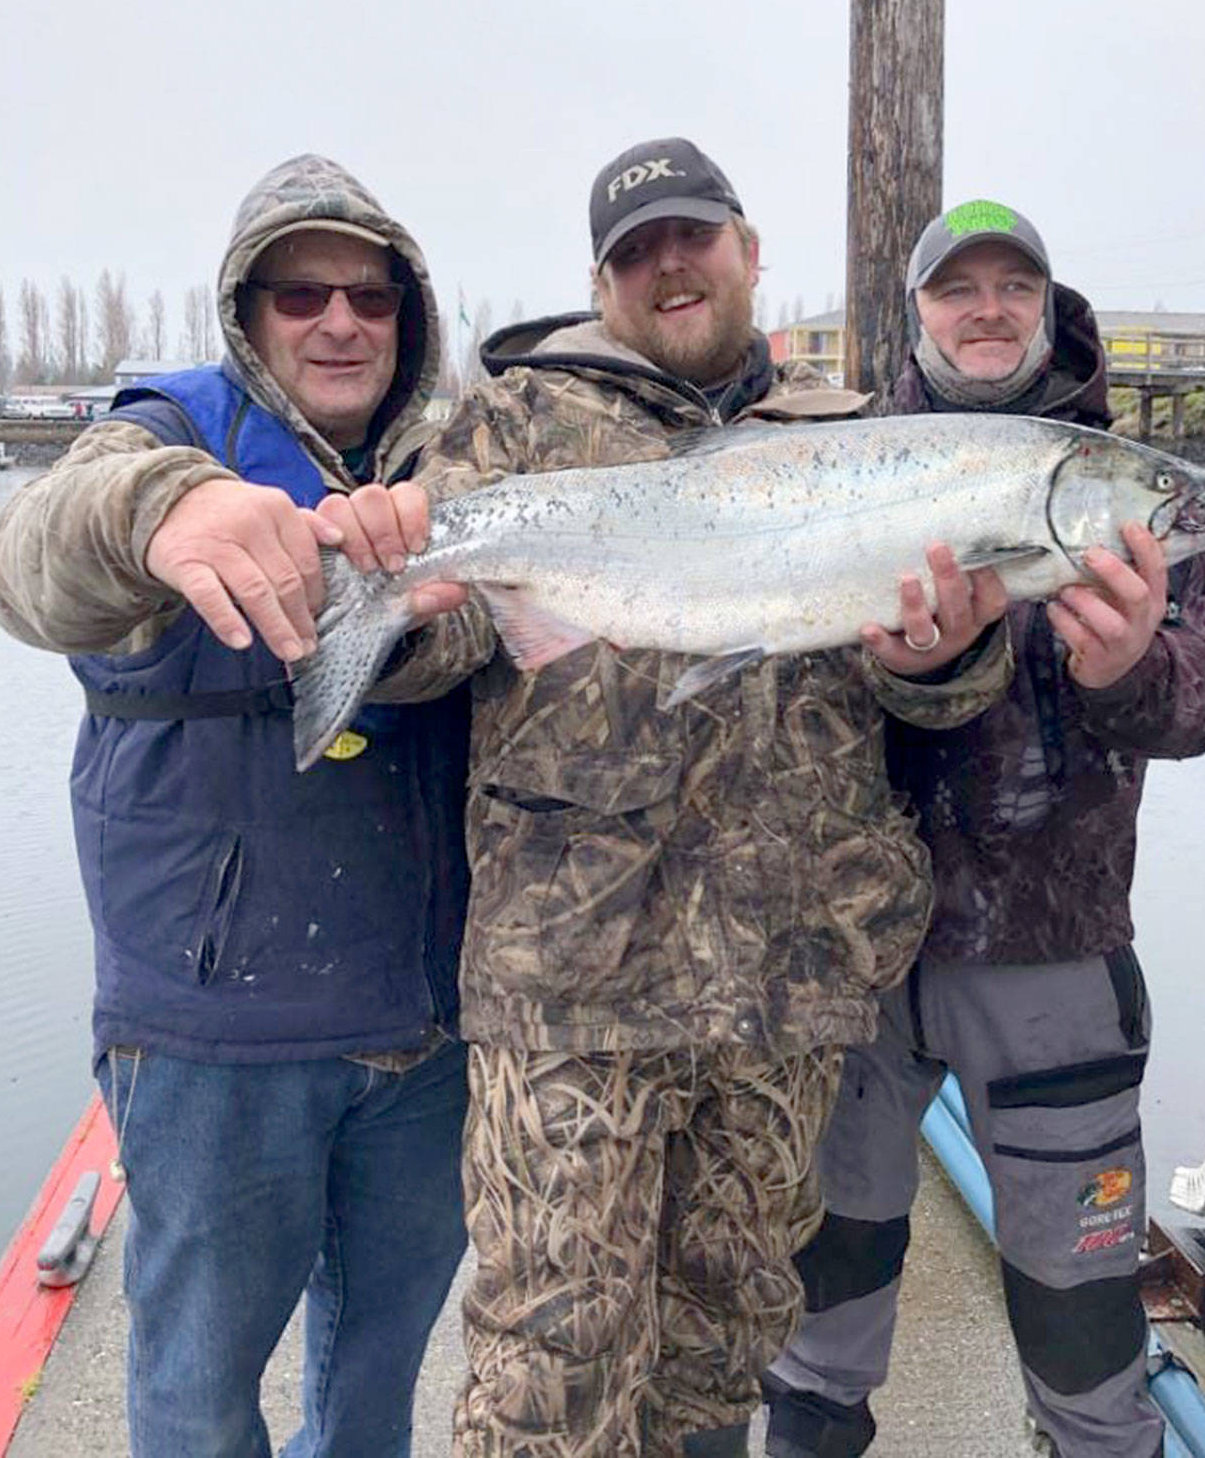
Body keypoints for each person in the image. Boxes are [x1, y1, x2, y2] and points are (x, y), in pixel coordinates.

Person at [317, 139, 1015, 1458]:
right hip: (571, 992)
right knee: (546, 1378)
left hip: (783, 987)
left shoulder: (855, 440)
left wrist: (944, 656)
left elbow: (927, 696)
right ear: (601, 284)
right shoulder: (514, 426)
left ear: (750, 251)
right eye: (636, 251)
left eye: (693, 235)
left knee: (719, 1354)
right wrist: (389, 608)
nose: (670, 265)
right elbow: (443, 645)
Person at [0, 153, 473, 1458]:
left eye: (370, 296)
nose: (339, 321)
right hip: (215, 1034)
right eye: (301, 293)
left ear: (409, 313)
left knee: (373, 1388)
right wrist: (163, 510)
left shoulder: (450, 466)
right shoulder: (161, 440)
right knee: (198, 1396)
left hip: (424, 1031)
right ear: (248, 313)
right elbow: (30, 555)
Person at [762, 198, 1205, 1458]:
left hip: (1054, 953)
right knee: (820, 1302)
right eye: (956, 288)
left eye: (1011, 287)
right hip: (858, 957)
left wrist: (1128, 670)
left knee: (1080, 1323)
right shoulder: (842, 467)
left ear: (1042, 304)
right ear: (915, 313)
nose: (986, 310)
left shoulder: (1124, 483)